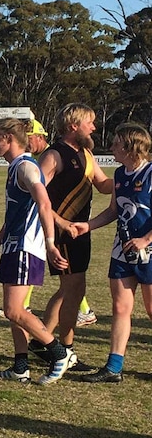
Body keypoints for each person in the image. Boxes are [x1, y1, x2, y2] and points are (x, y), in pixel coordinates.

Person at [0, 118, 71, 385]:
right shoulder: (15, 168)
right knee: (14, 309)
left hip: (25, 246)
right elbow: (16, 212)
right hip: (13, 243)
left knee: (13, 310)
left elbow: (44, 203)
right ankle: (20, 367)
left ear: (9, 138)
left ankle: (58, 354)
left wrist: (50, 242)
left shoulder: (25, 167)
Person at [0, 117, 98, 324]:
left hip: (47, 235)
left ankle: (55, 346)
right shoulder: (30, 162)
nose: (28, 141)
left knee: (68, 287)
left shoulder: (37, 162)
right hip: (41, 235)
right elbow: (26, 207)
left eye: (31, 136)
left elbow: (41, 203)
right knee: (70, 285)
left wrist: (57, 228)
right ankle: (40, 348)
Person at [31, 104, 111, 370]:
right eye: (90, 122)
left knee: (72, 290)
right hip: (63, 232)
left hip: (81, 231)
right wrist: (61, 223)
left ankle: (41, 344)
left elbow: (103, 185)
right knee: (72, 289)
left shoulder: (86, 153)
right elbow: (36, 194)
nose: (94, 127)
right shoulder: (54, 154)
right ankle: (64, 350)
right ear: (73, 125)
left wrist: (136, 172)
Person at [72, 123, 152, 383]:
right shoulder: (119, 175)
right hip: (122, 250)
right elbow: (114, 210)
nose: (112, 147)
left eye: (117, 143)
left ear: (130, 147)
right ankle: (114, 367)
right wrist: (89, 226)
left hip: (148, 252)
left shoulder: (151, 173)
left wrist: (146, 239)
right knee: (120, 307)